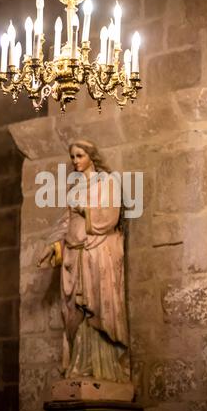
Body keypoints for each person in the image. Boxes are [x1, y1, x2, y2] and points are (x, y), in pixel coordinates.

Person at [37, 139, 130, 383]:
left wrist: (85, 209)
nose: (75, 161)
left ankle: (104, 368)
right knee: (75, 311)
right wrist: (52, 246)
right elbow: (66, 223)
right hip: (74, 255)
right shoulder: (75, 189)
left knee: (96, 306)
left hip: (96, 253)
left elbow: (110, 216)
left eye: (80, 156)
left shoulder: (107, 182)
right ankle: (78, 365)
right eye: (73, 157)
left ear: (91, 156)